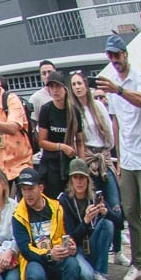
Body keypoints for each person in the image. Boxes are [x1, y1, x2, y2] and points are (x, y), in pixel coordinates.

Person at [97, 35, 141, 280]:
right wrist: (117, 156)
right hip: (129, 157)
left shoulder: (139, 79)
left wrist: (118, 90)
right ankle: (136, 262)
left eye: (117, 55)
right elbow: (116, 122)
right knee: (131, 211)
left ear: (125, 54)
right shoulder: (114, 87)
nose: (114, 60)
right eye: (110, 57)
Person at [13, 168, 80, 280]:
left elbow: (66, 234)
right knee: (35, 277)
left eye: (30, 188)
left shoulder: (56, 207)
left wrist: (70, 246)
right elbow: (25, 250)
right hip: (35, 259)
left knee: (73, 266)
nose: (27, 193)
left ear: (40, 188)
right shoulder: (18, 215)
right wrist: (49, 254)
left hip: (56, 256)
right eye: (23, 189)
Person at [69, 70, 125, 267]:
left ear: (86, 85)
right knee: (92, 204)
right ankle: (96, 249)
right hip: (87, 157)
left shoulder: (98, 106)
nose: (77, 87)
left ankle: (118, 249)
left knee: (115, 203)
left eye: (80, 83)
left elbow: (109, 132)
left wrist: (110, 157)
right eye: (74, 84)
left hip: (103, 155)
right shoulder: (73, 110)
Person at [58, 158, 116, 280]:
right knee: (87, 278)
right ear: (71, 180)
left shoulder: (94, 197)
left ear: (88, 179)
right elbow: (68, 237)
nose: (79, 181)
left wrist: (106, 212)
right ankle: (86, 271)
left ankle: (99, 271)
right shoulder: (63, 200)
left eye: (82, 177)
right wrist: (85, 221)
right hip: (74, 248)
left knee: (107, 224)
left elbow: (119, 222)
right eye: (75, 177)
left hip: (91, 245)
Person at [36, 71, 78, 199]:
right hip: (51, 163)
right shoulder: (46, 109)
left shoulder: (73, 110)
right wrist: (61, 146)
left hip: (69, 163)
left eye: (58, 86)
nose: (55, 90)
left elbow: (80, 140)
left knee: (71, 199)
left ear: (65, 88)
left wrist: (82, 163)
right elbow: (42, 142)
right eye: (51, 87)